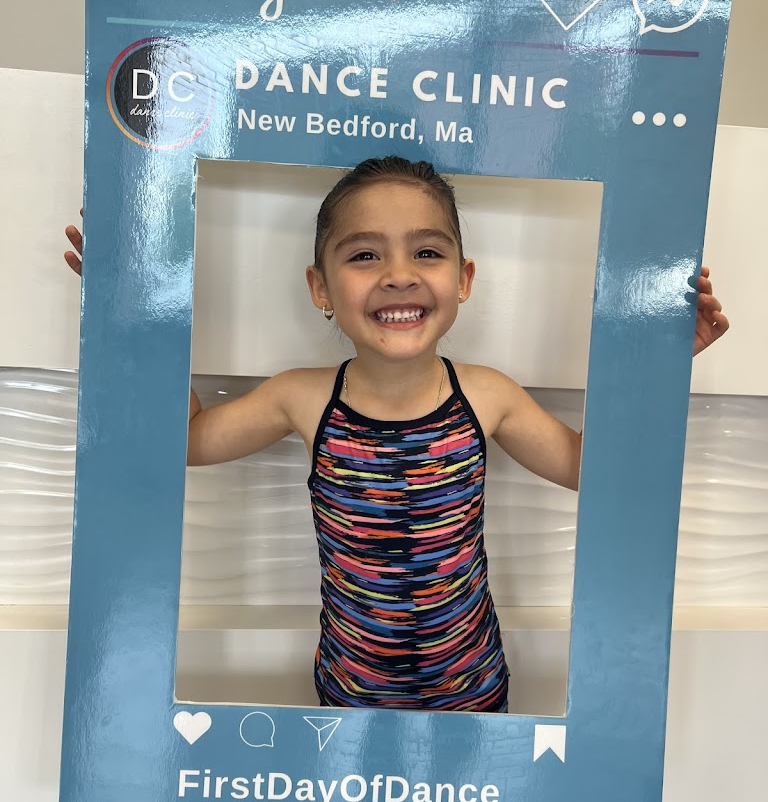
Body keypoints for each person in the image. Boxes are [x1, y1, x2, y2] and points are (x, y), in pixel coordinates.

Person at [64, 157, 729, 717]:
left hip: (473, 699)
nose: (399, 274)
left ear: (463, 280)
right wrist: (139, 314)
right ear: (320, 287)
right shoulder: (302, 397)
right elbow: (181, 441)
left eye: (427, 252)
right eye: (364, 255)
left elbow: (594, 469)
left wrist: (656, 370)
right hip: (349, 704)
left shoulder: (488, 395)